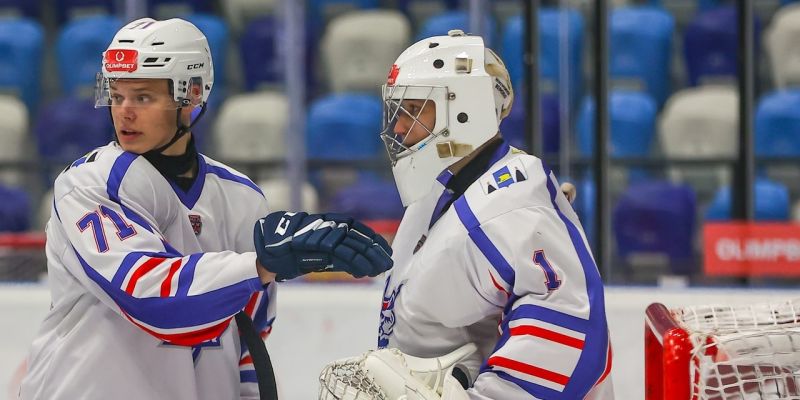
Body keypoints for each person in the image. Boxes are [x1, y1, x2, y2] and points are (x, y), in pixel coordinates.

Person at [19, 18, 392, 400]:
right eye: (117, 95)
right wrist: (261, 264)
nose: (124, 112)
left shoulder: (241, 196)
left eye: (143, 97)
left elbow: (248, 336)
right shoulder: (88, 182)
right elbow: (148, 295)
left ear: (192, 95)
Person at [355, 30, 614, 399]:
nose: (398, 127)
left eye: (413, 110)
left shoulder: (513, 207)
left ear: (464, 108)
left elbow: (572, 330)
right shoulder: (442, 186)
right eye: (398, 110)